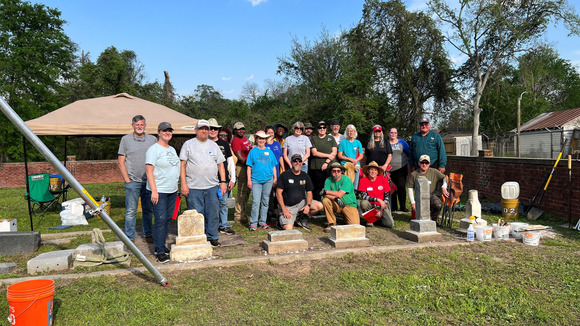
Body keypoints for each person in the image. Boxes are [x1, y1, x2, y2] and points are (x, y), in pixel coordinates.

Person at [180, 119, 227, 246]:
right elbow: (182, 165)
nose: (204, 131)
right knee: (196, 214)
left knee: (213, 213)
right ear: (196, 130)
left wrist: (223, 182)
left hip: (212, 186)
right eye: (201, 128)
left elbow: (221, 165)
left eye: (206, 128)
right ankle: (197, 237)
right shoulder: (188, 144)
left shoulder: (213, 145)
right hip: (193, 186)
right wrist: (183, 184)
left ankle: (212, 236)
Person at [145, 122, 180, 263]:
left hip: (172, 190)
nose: (168, 133)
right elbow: (149, 170)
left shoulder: (172, 149)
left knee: (167, 219)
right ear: (158, 132)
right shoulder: (153, 150)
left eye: (170, 131)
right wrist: (154, 190)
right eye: (165, 131)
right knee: (160, 219)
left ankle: (161, 245)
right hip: (159, 190)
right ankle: (159, 251)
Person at [118, 115, 157, 243]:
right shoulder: (126, 139)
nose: (139, 127)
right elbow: (121, 160)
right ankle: (130, 236)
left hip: (148, 181)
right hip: (133, 181)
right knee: (131, 210)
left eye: (142, 124)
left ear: (145, 126)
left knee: (148, 209)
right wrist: (127, 179)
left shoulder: (152, 139)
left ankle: (147, 234)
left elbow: (157, 158)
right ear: (132, 125)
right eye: (137, 125)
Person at [276, 154, 323, 230]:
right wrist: (284, 209)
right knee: (288, 228)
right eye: (295, 161)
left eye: (299, 161)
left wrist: (308, 205)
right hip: (288, 206)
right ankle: (280, 220)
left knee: (319, 205)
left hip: (301, 203)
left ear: (302, 163)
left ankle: (301, 218)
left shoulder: (305, 175)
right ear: (291, 162)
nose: (297, 163)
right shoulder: (284, 175)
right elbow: (278, 193)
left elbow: (309, 192)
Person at [208, 118, 236, 235]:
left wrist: (232, 178)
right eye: (211, 128)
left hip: (223, 179)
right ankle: (211, 226)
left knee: (223, 203)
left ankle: (224, 225)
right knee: (210, 205)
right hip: (208, 180)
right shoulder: (204, 143)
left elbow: (230, 162)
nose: (213, 130)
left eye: (215, 128)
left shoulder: (224, 144)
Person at [246, 131, 278, 231]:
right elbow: (249, 166)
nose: (261, 140)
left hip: (268, 179)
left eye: (263, 139)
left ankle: (262, 221)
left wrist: (275, 177)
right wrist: (249, 180)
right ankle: (253, 223)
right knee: (256, 201)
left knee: (265, 201)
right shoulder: (252, 151)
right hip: (256, 180)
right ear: (256, 139)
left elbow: (273, 165)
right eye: (259, 138)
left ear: (265, 140)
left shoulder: (269, 151)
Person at [406, 155, 449, 221]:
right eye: (422, 162)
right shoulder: (414, 174)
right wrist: (413, 203)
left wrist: (444, 187)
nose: (424, 164)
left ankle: (434, 220)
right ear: (419, 163)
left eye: (426, 163)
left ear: (429, 163)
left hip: (431, 195)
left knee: (437, 204)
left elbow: (445, 178)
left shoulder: (434, 171)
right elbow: (410, 189)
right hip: (419, 197)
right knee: (419, 217)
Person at [321, 162, 360, 232]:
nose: (336, 172)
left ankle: (346, 217)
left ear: (341, 171)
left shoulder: (347, 179)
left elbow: (339, 194)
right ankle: (331, 223)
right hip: (336, 203)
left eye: (338, 171)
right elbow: (324, 195)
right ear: (331, 171)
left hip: (349, 205)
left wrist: (326, 192)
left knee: (355, 226)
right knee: (325, 200)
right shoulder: (328, 180)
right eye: (334, 171)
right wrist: (334, 198)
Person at [358, 161, 393, 228]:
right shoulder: (363, 180)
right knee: (364, 203)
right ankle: (370, 220)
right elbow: (364, 196)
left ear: (377, 172)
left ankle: (377, 219)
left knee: (390, 224)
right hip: (370, 205)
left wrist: (381, 210)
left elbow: (386, 197)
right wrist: (377, 199)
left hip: (381, 206)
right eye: (371, 169)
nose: (373, 172)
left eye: (375, 170)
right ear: (368, 171)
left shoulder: (384, 180)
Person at [309, 121, 337, 201]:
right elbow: (314, 153)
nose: (322, 129)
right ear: (317, 129)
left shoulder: (331, 138)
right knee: (317, 188)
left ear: (326, 129)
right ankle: (317, 207)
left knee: (329, 188)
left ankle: (329, 206)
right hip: (316, 167)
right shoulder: (314, 138)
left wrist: (326, 162)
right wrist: (328, 155)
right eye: (320, 127)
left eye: (324, 127)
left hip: (329, 167)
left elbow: (334, 152)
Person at [231, 121, 252, 223]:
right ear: (235, 130)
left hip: (248, 166)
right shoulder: (235, 140)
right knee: (242, 190)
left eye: (242, 128)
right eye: (238, 129)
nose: (241, 131)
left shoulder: (244, 139)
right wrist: (252, 166)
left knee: (247, 191)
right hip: (242, 167)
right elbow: (241, 158)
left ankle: (243, 212)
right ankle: (238, 214)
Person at [265, 125, 285, 222]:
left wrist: (283, 169)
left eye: (272, 133)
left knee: (277, 193)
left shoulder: (277, 144)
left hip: (277, 172)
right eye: (269, 132)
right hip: (267, 173)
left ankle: (276, 212)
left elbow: (281, 157)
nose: (270, 134)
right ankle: (268, 212)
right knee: (268, 194)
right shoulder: (264, 144)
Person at [388, 127, 410, 212]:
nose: (393, 134)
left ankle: (403, 206)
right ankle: (394, 207)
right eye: (391, 132)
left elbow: (408, 153)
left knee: (401, 186)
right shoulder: (386, 143)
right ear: (389, 134)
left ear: (397, 134)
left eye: (395, 133)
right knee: (392, 188)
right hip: (390, 170)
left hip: (401, 168)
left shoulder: (402, 142)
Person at [337, 124, 364, 188]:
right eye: (349, 131)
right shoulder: (343, 143)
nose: (350, 132)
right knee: (346, 185)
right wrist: (350, 159)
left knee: (355, 185)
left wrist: (356, 160)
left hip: (356, 166)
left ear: (355, 132)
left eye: (352, 131)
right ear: (346, 132)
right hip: (345, 166)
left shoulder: (358, 142)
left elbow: (361, 155)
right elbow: (339, 155)